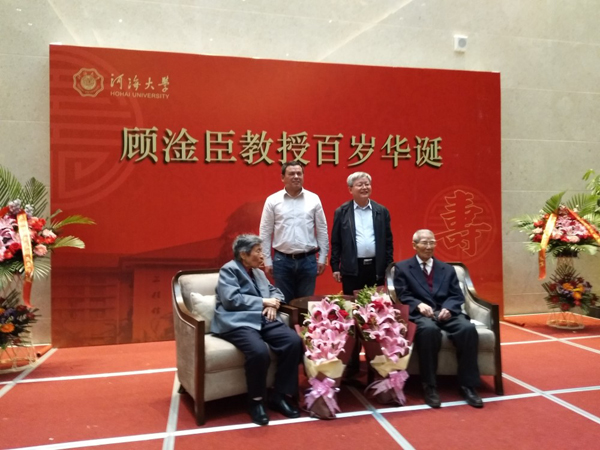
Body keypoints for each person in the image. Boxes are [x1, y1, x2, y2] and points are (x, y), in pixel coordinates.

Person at [211, 234, 303, 425]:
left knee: (293, 341)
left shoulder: (258, 272)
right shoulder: (229, 270)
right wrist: (263, 301)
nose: (263, 255)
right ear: (243, 254)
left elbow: (275, 292)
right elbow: (231, 300)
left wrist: (274, 304)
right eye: (258, 251)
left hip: (262, 319)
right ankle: (256, 401)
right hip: (238, 322)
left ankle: (279, 395)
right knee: (259, 351)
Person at [393, 229, 483, 409]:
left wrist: (448, 308)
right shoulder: (402, 268)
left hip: (446, 312)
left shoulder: (447, 269)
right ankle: (430, 386)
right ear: (414, 245)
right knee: (429, 331)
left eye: (432, 242)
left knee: (467, 329)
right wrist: (418, 305)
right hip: (421, 314)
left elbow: (456, 295)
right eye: (424, 243)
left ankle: (468, 386)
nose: (429, 247)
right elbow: (403, 295)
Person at [259, 161, 329, 302]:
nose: (296, 177)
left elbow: (322, 229)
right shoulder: (273, 200)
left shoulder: (313, 199)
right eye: (291, 174)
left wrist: (322, 257)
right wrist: (267, 260)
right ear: (282, 178)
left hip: (308, 260)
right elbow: (265, 232)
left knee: (306, 303)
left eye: (299, 173)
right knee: (284, 303)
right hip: (282, 261)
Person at [330, 171, 394, 294]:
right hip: (352, 268)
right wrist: (335, 267)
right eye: (360, 185)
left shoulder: (381, 211)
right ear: (350, 189)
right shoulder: (342, 212)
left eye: (367, 184)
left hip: (376, 268)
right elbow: (336, 242)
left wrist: (388, 266)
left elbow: (388, 241)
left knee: (376, 303)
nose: (364, 187)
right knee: (352, 303)